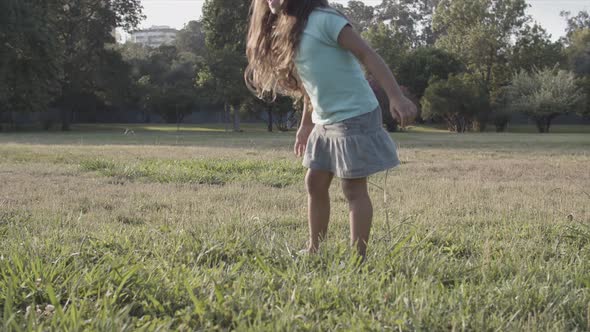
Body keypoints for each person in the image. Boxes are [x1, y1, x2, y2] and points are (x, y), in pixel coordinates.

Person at [245, 0, 417, 259]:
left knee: (352, 188)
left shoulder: (325, 19)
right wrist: (305, 125)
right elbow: (309, 86)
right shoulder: (291, 30)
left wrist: (396, 96)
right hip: (325, 120)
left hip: (355, 115)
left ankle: (359, 257)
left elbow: (367, 54)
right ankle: (314, 249)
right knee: (314, 182)